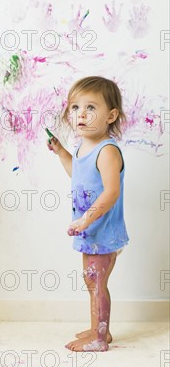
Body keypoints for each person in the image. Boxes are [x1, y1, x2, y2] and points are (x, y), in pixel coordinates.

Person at [47, 76, 129, 351]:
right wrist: (61, 153)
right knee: (92, 281)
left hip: (101, 229)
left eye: (91, 108)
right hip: (89, 229)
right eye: (75, 107)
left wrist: (85, 219)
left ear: (111, 115)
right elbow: (78, 176)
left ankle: (98, 338)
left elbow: (110, 192)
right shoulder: (83, 147)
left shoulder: (107, 151)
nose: (81, 114)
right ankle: (99, 330)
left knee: (96, 281)